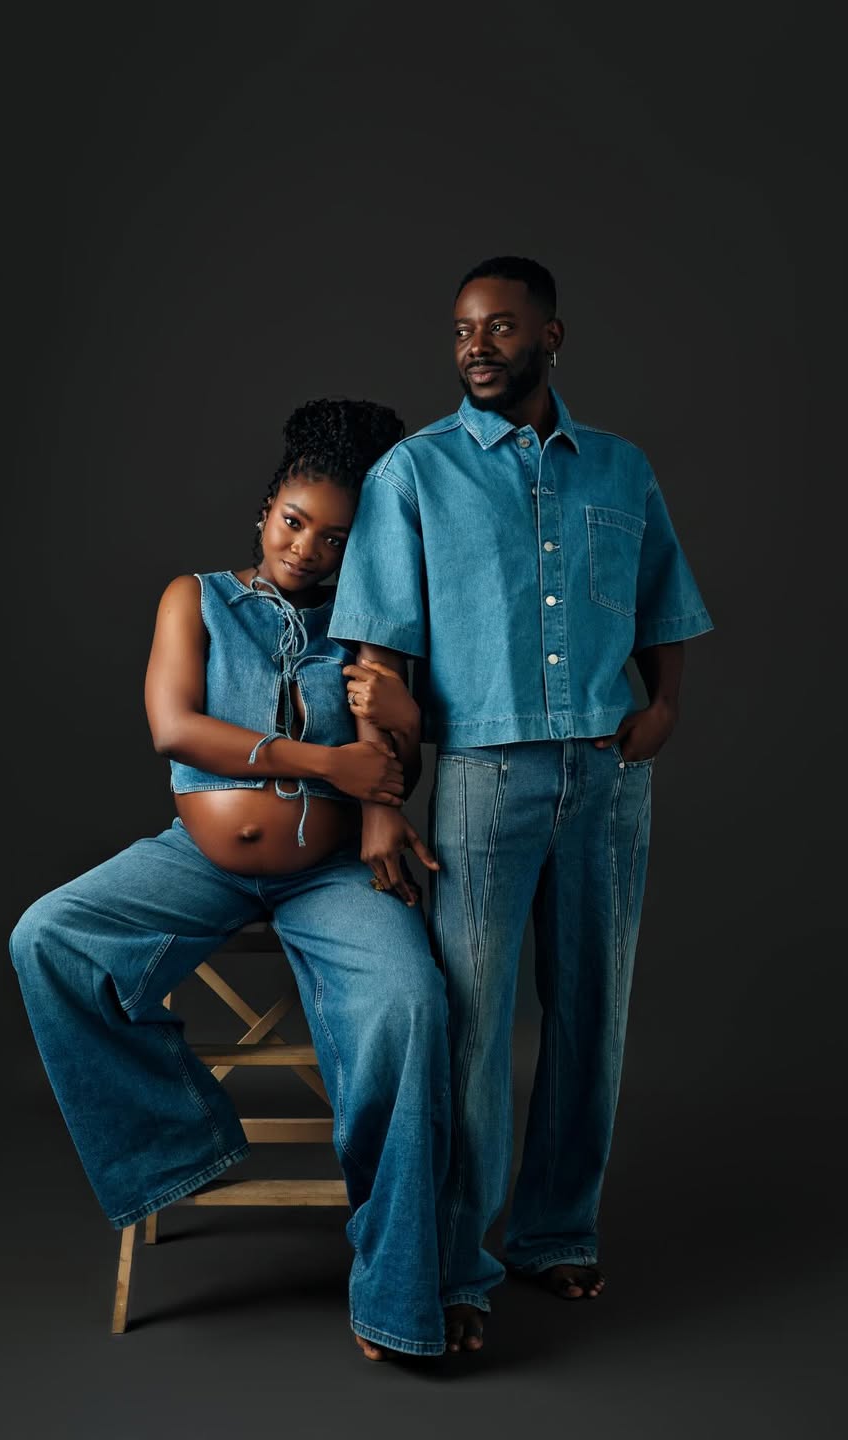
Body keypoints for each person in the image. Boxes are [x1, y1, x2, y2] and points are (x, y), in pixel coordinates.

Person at [9, 398, 451, 1361]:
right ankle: (183, 1147)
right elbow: (174, 727)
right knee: (48, 938)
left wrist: (393, 753)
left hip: (329, 875)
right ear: (264, 510)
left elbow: (395, 761)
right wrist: (329, 763)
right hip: (198, 864)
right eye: (294, 522)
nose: (307, 549)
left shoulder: (372, 625)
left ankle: (396, 1294)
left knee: (411, 1005)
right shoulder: (196, 597)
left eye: (335, 538)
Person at [329, 257, 714, 1354]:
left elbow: (664, 601)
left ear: (554, 335)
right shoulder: (416, 474)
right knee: (473, 1031)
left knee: (594, 1016)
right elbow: (376, 650)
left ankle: (557, 1232)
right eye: (461, 332)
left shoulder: (621, 471)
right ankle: (456, 1268)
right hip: (485, 782)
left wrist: (667, 711)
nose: (477, 347)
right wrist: (386, 796)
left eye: (500, 327)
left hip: (606, 777)